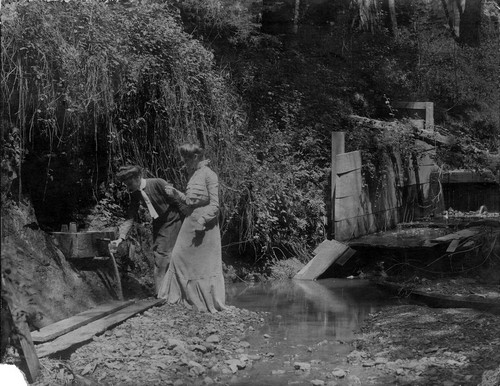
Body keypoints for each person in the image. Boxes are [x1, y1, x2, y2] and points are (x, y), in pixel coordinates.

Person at [158, 144, 226, 312]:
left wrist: (203, 219)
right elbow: (190, 201)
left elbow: (216, 205)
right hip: (190, 221)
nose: (185, 162)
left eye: (187, 159)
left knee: (203, 265)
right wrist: (175, 193)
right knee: (178, 255)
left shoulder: (210, 175)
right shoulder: (194, 175)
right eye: (184, 159)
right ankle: (179, 296)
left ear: (196, 157)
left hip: (206, 226)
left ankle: (205, 302)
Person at [110, 165, 182, 295]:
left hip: (173, 220)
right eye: (126, 184)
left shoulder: (158, 183)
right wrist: (120, 238)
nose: (128, 187)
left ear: (138, 177)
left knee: (162, 256)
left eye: (130, 183)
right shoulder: (135, 193)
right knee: (159, 255)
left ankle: (161, 295)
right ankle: (164, 293)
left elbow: (178, 201)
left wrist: (190, 223)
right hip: (158, 224)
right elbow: (130, 217)